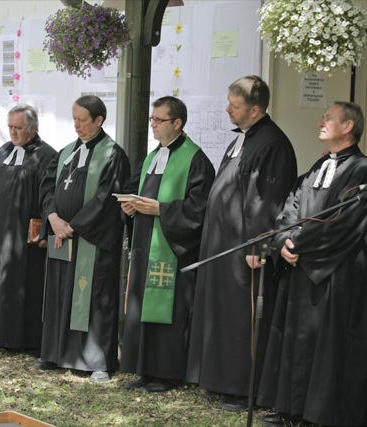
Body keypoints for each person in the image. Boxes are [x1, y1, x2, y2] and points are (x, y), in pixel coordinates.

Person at [257, 102, 367, 427]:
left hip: (335, 273)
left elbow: (342, 223)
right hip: (303, 267)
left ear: (348, 127)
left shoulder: (362, 170)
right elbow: (292, 205)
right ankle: (291, 409)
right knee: (296, 341)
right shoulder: (320, 165)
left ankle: (320, 415)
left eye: (328, 118)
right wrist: (283, 241)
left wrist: (298, 244)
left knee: (326, 346)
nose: (320, 122)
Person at [187, 75, 297, 409]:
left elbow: (268, 201)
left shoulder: (273, 144)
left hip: (244, 249)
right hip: (223, 244)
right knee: (224, 315)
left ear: (255, 110)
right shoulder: (244, 138)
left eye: (234, 106)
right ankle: (221, 380)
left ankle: (243, 389)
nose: (227, 110)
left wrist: (258, 245)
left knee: (243, 318)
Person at [119, 96, 215, 392]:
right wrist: (130, 205)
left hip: (172, 249)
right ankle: (144, 370)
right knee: (142, 306)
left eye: (159, 120)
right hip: (145, 243)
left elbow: (199, 209)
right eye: (152, 119)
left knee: (168, 311)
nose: (153, 125)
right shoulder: (152, 156)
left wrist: (161, 210)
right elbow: (133, 188)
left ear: (177, 123)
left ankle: (167, 374)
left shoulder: (195, 160)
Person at [36, 95, 130, 382]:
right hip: (62, 237)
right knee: (60, 294)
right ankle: (56, 353)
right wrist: (53, 218)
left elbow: (106, 198)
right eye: (74, 119)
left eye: (82, 120)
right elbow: (47, 187)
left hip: (92, 240)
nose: (76, 125)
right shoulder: (66, 152)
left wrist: (73, 226)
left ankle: (96, 360)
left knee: (93, 297)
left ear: (99, 120)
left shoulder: (113, 155)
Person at [0, 104, 56, 352]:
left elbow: (50, 198)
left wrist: (44, 231)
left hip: (26, 237)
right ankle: (0, 336)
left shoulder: (47, 156)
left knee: (26, 284)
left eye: (18, 128)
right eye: (10, 127)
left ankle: (26, 340)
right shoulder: (2, 153)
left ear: (33, 129)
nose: (13, 132)